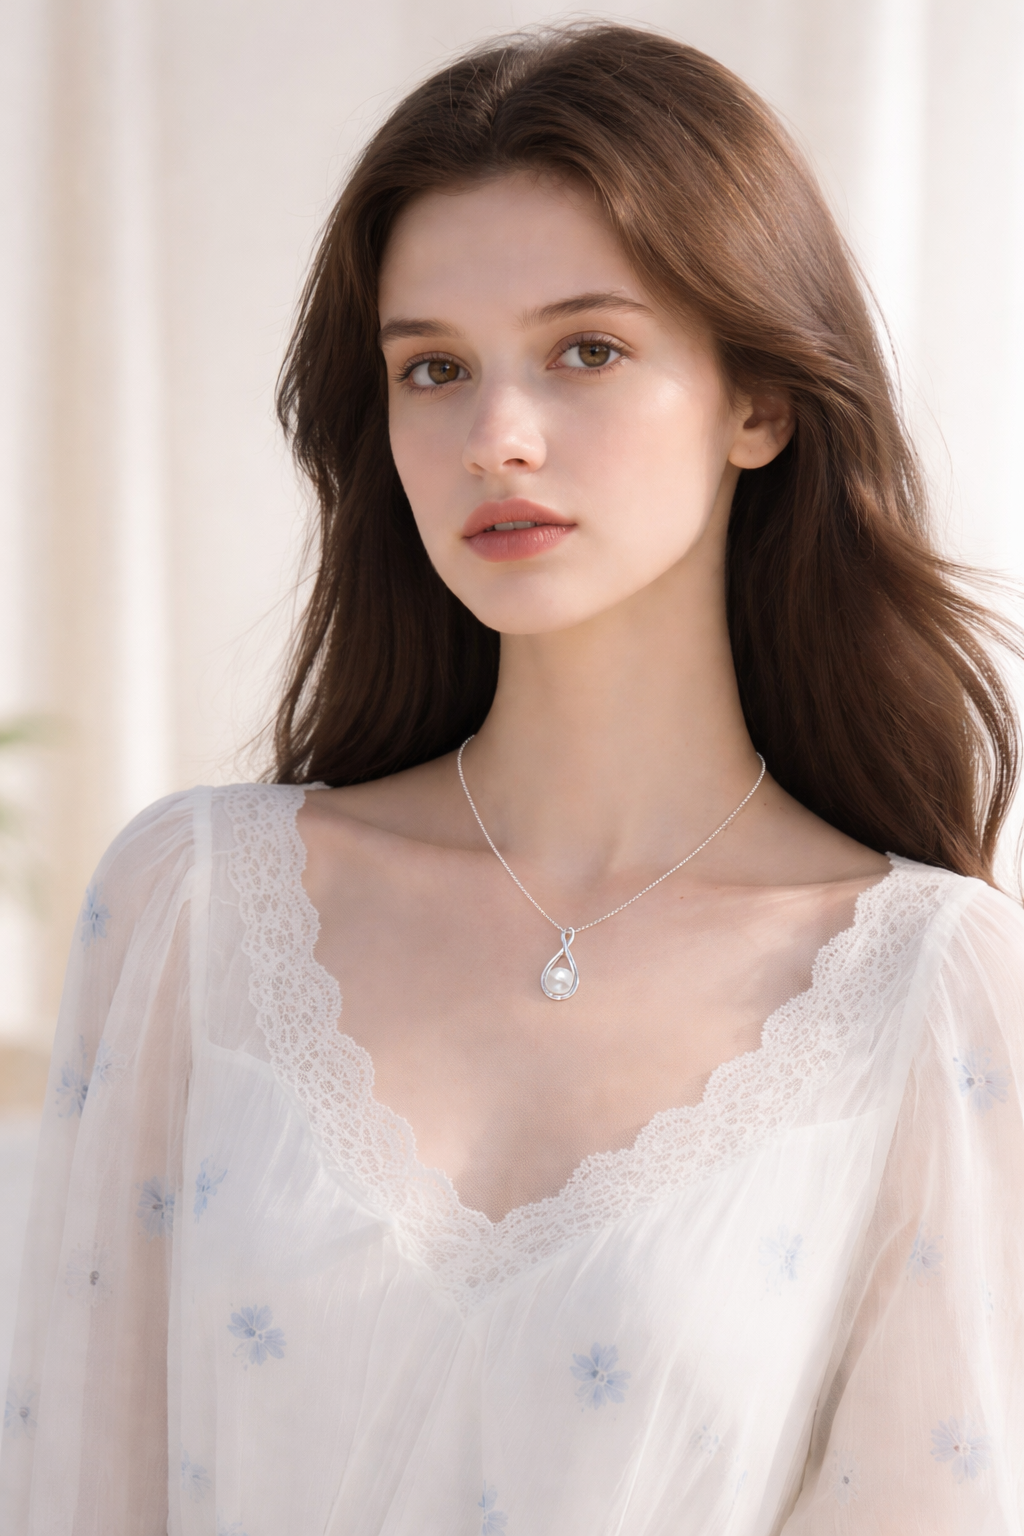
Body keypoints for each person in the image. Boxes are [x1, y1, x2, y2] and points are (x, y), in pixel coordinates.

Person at [2, 22, 1022, 1535]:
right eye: (434, 369)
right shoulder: (192, 906)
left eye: (587, 350)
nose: (498, 437)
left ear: (759, 402)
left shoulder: (927, 991)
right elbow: (71, 1480)